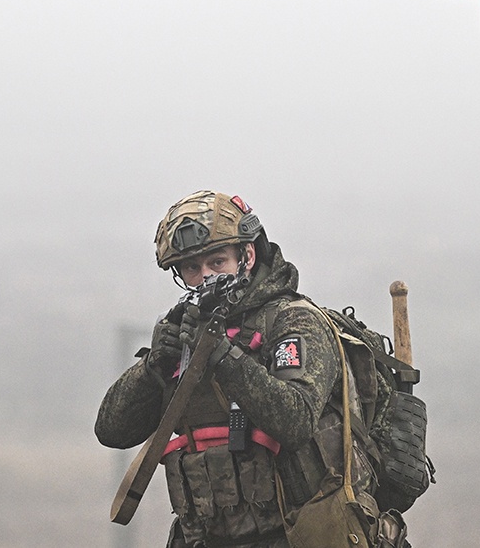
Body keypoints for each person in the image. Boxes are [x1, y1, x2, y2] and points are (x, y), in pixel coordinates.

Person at [96, 191, 407, 548]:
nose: (205, 277)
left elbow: (294, 420)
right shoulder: (186, 329)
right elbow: (111, 431)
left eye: (217, 261)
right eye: (191, 269)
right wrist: (155, 366)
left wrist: (223, 356)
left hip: (300, 535)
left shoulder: (293, 321)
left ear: (247, 255)